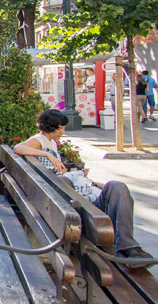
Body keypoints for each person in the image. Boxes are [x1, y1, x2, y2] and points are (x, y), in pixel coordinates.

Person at [14, 109, 154, 261]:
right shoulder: (40, 140)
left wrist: (79, 175)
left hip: (79, 194)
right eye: (60, 128)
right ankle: (123, 247)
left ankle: (128, 246)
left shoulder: (52, 142)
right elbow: (18, 148)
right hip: (75, 205)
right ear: (51, 127)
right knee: (72, 184)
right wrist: (46, 154)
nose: (63, 131)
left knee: (117, 187)